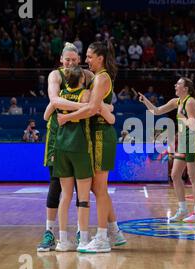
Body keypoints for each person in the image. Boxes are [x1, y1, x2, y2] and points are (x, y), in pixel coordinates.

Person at [58, 40, 125, 253]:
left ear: (100, 58)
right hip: (97, 133)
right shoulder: (97, 77)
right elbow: (96, 107)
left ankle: (103, 237)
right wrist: (106, 108)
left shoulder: (101, 78)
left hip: (101, 134)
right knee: (98, 188)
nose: (86, 60)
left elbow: (91, 109)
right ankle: (114, 231)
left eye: (89, 56)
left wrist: (66, 119)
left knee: (99, 188)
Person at [37, 42, 94, 252]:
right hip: (56, 137)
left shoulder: (87, 76)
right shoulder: (55, 75)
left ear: (79, 60)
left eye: (73, 59)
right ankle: (50, 232)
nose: (70, 63)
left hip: (80, 138)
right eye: (66, 59)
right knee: (55, 186)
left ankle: (81, 231)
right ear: (61, 60)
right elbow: (54, 100)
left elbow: (102, 96)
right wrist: (86, 106)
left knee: (82, 189)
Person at [138, 77, 195, 223]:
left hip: (192, 141)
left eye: (178, 84)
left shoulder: (190, 102)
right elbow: (156, 111)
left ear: (185, 88)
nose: (175, 85)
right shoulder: (177, 101)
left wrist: (181, 116)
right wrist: (145, 101)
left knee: (193, 178)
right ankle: (182, 210)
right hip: (182, 142)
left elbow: (193, 125)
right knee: (175, 175)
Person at [53, 66, 93, 252]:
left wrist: (65, 117)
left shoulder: (60, 93)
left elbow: (47, 114)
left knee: (65, 195)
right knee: (83, 197)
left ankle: (62, 240)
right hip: (79, 145)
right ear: (82, 80)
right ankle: (83, 239)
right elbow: (91, 110)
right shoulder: (85, 94)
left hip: (61, 147)